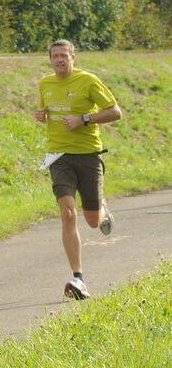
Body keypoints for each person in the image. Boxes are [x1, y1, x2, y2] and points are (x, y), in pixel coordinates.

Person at [34, 39, 122, 300]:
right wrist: (41, 115)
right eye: (55, 56)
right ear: (50, 59)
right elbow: (46, 111)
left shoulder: (89, 81)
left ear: (74, 58)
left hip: (88, 155)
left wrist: (84, 118)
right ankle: (78, 277)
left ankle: (102, 211)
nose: (59, 60)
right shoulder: (45, 83)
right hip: (59, 156)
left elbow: (115, 112)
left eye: (64, 55)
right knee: (68, 212)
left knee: (92, 221)